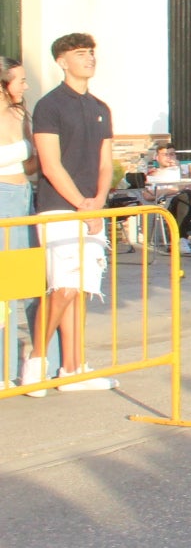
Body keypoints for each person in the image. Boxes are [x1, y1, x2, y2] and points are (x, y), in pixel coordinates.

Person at [25, 33, 116, 395]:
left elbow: (106, 163)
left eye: (92, 52)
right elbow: (49, 164)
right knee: (62, 286)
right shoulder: (49, 106)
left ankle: (73, 368)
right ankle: (36, 361)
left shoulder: (101, 107)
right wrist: (81, 204)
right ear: (62, 61)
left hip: (91, 206)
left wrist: (98, 201)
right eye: (81, 54)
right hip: (60, 208)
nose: (89, 58)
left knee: (81, 289)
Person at [1, 57, 37, 389]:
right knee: (3, 288)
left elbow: (31, 162)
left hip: (23, 193)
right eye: (20, 80)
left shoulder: (19, 114)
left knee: (27, 282)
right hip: (2, 196)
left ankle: (35, 361)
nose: (25, 86)